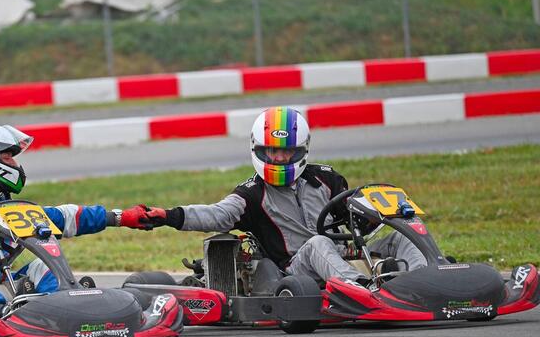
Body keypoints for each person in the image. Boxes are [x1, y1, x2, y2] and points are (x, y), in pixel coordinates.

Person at [129, 106, 426, 287]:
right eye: (273, 151)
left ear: (301, 150)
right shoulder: (251, 194)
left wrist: (371, 215)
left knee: (404, 232)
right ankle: (362, 289)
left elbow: (354, 220)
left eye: (287, 152)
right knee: (318, 243)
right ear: (259, 150)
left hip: (344, 255)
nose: (281, 158)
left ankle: (428, 280)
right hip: (296, 269)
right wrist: (169, 215)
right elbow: (215, 215)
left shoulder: (327, 178)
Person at [0, 122, 150, 317]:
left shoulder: (4, 206)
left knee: (40, 265)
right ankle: (3, 314)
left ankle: (67, 307)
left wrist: (120, 218)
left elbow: (64, 217)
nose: (15, 163)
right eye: (7, 157)